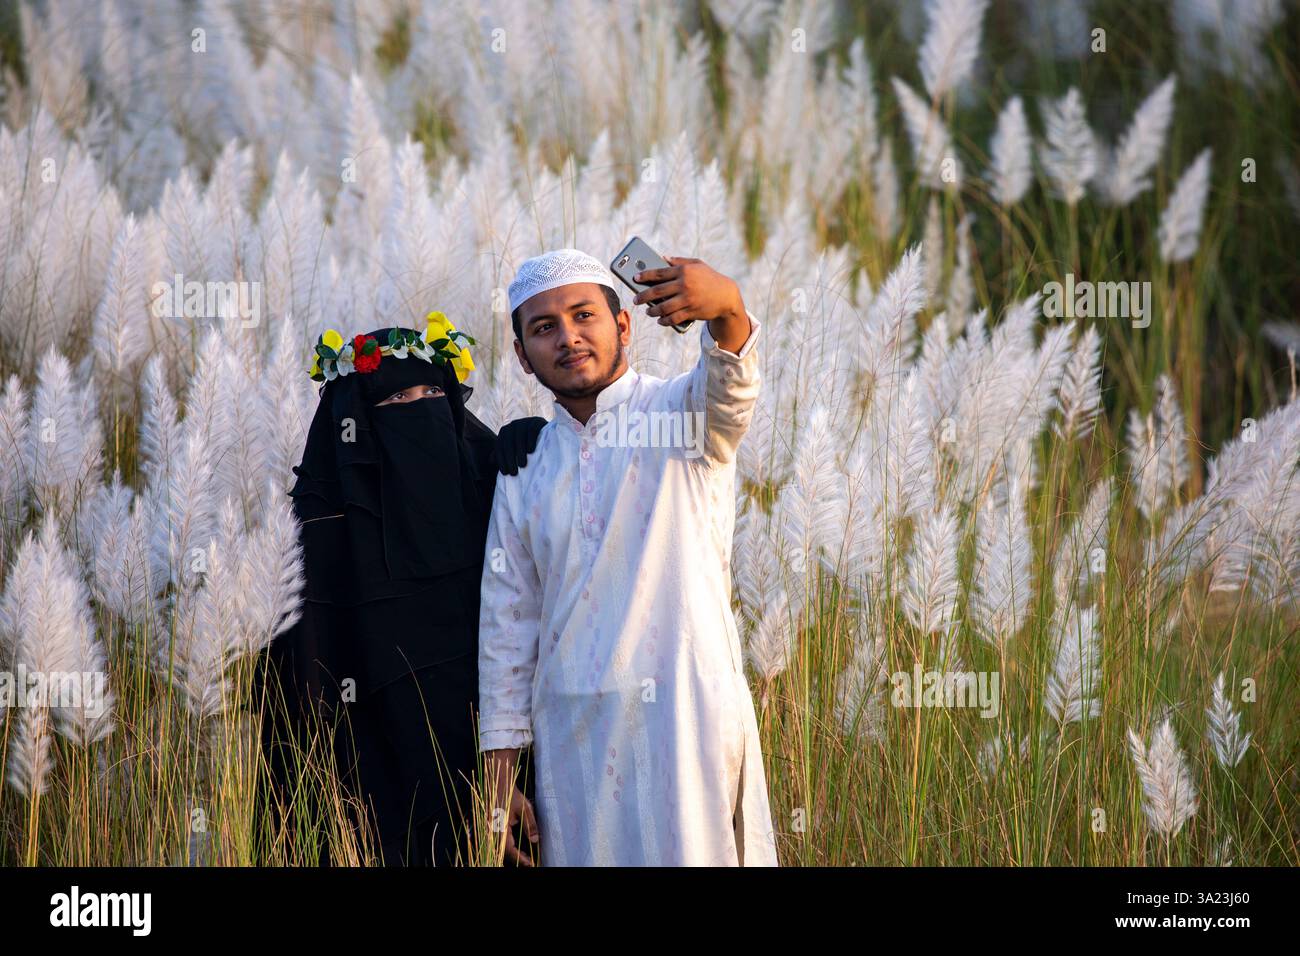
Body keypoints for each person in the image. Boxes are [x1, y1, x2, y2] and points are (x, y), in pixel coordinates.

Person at [477, 248, 779, 866]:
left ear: (623, 326)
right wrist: (500, 773)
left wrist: (727, 308)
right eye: (544, 327)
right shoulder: (525, 468)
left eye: (584, 314)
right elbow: (508, 624)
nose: (568, 337)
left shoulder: (681, 416)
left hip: (683, 721)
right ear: (522, 357)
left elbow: (732, 387)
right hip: (574, 737)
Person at [256, 317, 545, 867]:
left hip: (505, 780)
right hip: (380, 799)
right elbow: (305, 708)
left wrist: (535, 443)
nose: (421, 406)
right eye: (398, 400)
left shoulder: (491, 490)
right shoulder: (317, 545)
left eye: (434, 392)